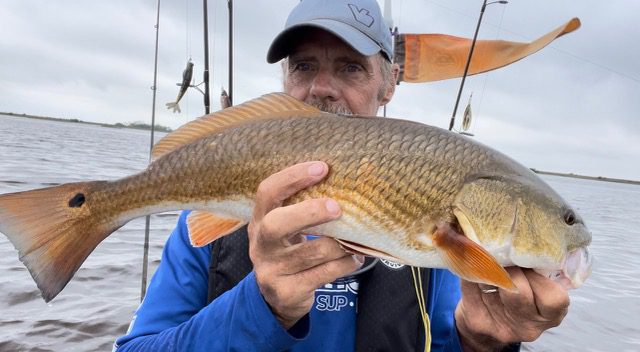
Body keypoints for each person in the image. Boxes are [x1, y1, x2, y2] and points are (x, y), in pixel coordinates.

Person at [114, 0, 569, 351]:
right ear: (284, 79)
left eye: (350, 67)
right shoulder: (211, 220)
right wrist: (261, 306)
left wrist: (481, 340)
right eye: (304, 66)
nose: (322, 88)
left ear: (388, 84)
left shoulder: (439, 223)